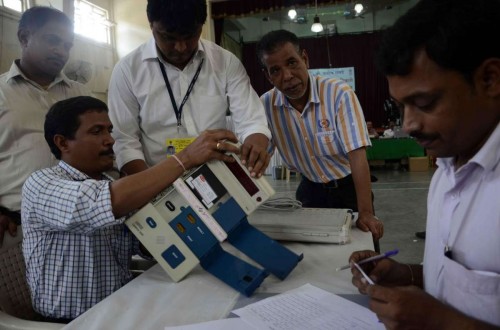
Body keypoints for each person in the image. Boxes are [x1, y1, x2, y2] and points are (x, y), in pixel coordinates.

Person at [349, 0, 500, 328]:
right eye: (402, 106)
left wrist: (439, 322)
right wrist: (406, 275)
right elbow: (464, 286)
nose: (409, 125)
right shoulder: (445, 173)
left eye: (425, 103)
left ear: (490, 79)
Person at [22, 96, 240, 321]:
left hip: (121, 310)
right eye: (97, 132)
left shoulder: (112, 182)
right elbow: (103, 203)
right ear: (62, 143)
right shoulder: (42, 184)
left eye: (109, 131)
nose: (109, 140)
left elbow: (147, 242)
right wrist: (185, 158)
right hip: (71, 323)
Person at [108, 0, 271, 179]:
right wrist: (149, 189)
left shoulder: (225, 62)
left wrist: (255, 142)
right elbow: (125, 142)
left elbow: (251, 120)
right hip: (158, 180)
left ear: (202, 25)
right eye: (168, 37)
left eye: (190, 36)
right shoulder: (127, 70)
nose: (181, 47)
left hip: (218, 177)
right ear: (150, 23)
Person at [256, 30, 383, 244]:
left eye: (292, 63)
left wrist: (366, 213)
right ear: (268, 76)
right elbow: (255, 160)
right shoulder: (265, 106)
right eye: (276, 70)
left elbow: (357, 156)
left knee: (362, 255)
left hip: (349, 189)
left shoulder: (338, 94)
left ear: (305, 59)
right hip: (310, 192)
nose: (287, 76)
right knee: (315, 255)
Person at [0, 6, 91, 247]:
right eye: (52, 40)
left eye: (67, 45)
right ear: (24, 37)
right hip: (15, 227)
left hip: (80, 222)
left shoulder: (80, 94)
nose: (61, 51)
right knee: (20, 286)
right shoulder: (1, 94)